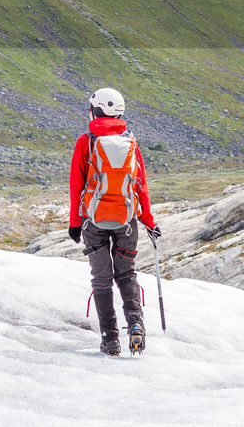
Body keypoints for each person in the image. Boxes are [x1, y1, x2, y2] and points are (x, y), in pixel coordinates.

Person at [67, 86, 160, 355]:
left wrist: (75, 222)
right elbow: (140, 184)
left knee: (101, 280)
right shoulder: (130, 141)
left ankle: (109, 338)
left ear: (95, 110)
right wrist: (148, 220)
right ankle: (136, 327)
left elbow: (77, 184)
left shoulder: (86, 141)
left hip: (93, 220)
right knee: (127, 274)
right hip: (127, 219)